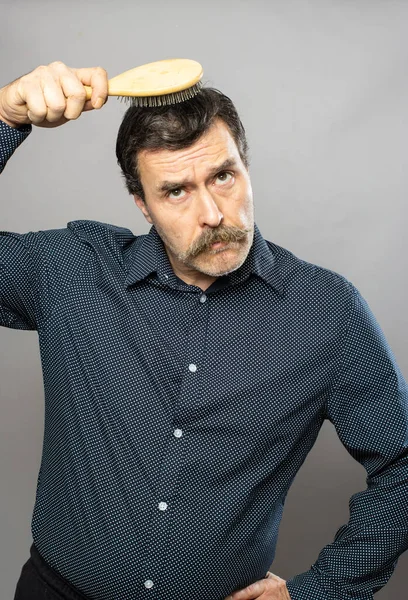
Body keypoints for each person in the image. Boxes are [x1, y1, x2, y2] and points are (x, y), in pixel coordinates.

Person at [0, 61, 407, 600]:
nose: (213, 213)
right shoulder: (72, 273)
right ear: (142, 205)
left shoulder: (327, 313)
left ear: (246, 168)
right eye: (175, 192)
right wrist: (5, 118)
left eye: (223, 176)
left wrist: (320, 591)